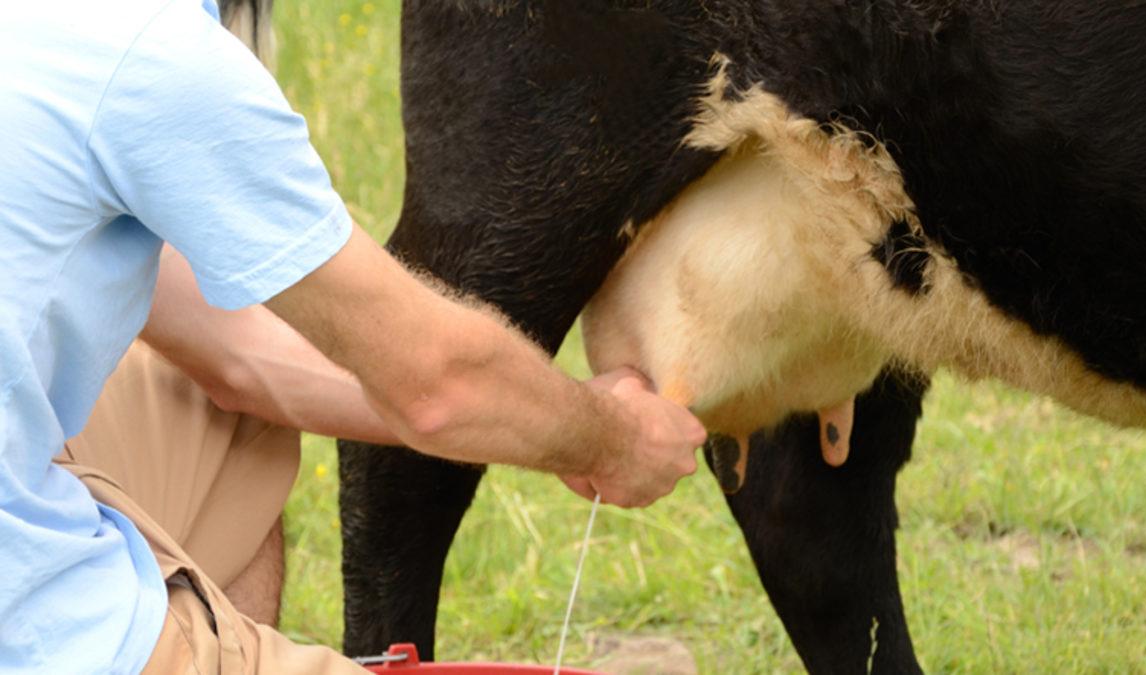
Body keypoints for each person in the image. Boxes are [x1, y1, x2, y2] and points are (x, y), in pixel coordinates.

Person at [0, 1, 707, 673]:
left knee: (212, 415)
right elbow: (435, 382)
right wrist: (615, 440)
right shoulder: (153, 57)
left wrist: (551, 418)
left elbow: (238, 350)